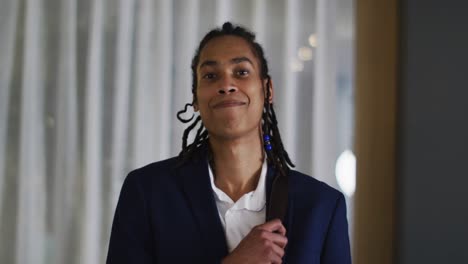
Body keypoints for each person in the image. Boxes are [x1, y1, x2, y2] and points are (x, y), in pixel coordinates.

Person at [106, 22, 351, 264]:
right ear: (195, 99)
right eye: (211, 76)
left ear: (267, 90)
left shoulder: (322, 207)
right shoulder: (147, 193)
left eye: (241, 72)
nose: (226, 85)